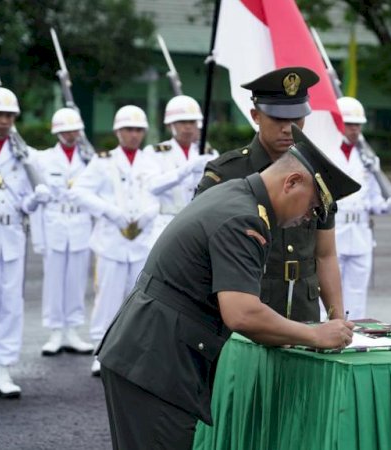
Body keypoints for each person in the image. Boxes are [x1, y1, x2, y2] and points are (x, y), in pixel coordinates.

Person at [98, 124, 360, 450]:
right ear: (292, 183)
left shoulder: (239, 194)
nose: (310, 219)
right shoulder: (244, 218)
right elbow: (242, 314)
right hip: (155, 363)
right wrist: (315, 335)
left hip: (152, 354)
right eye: (313, 207)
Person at [195, 67, 345, 323]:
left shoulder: (317, 174)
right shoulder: (227, 173)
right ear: (255, 115)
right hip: (248, 308)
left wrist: (337, 318)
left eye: (297, 119)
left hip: (303, 307)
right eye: (278, 119)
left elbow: (325, 254)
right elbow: (200, 251)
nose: (289, 129)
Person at [71, 105, 160, 376]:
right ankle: (101, 351)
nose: (133, 135)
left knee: (140, 302)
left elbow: (164, 191)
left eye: (137, 130)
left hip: (142, 242)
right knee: (107, 300)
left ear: (144, 132)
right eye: (127, 129)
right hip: (111, 242)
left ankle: (134, 353)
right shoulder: (103, 161)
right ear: (117, 132)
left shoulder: (152, 161)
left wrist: (150, 212)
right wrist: (109, 211)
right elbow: (79, 193)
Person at [0, 87, 51, 399]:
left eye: (9, 115)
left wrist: (37, 199)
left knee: (10, 304)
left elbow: (25, 204)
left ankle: (4, 366)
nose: (4, 120)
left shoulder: (24, 154)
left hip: (11, 235)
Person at [332, 96, 391, 320]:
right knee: (330, 293)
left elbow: (373, 201)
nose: (354, 129)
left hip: (361, 233)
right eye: (349, 124)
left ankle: (355, 335)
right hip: (334, 232)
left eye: (358, 125)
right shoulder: (326, 152)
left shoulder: (368, 157)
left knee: (357, 294)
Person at [34, 108, 95, 356]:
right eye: (65, 130)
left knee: (77, 279)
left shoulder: (88, 158)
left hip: (80, 221)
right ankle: (55, 331)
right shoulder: (45, 159)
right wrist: (38, 238)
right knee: (54, 279)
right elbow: (38, 199)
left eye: (74, 130)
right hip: (55, 220)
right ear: (57, 132)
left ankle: (72, 329)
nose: (70, 134)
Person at [143, 95, 217, 245]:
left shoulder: (210, 154)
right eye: (182, 122)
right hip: (166, 222)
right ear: (170, 125)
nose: (188, 127)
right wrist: (186, 169)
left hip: (199, 223)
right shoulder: (154, 152)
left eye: (192, 122)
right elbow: (152, 186)